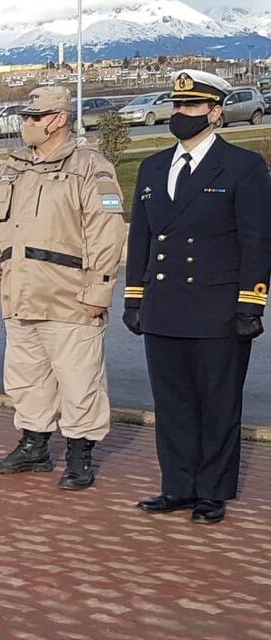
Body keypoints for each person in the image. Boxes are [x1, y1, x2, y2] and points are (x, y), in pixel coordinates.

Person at [124, 70, 271, 524]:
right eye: (176, 106)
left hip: (217, 309)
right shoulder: (152, 167)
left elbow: (257, 241)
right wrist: (134, 297)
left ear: (215, 111)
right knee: (173, 404)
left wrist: (251, 302)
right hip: (165, 307)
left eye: (190, 107)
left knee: (218, 403)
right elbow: (142, 238)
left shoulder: (243, 167)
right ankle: (178, 486)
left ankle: (212, 491)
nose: (180, 113)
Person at [0, 86, 127, 490]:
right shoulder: (14, 168)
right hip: (21, 296)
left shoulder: (90, 167)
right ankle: (34, 445)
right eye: (26, 117)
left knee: (80, 381)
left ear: (59, 119)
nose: (26, 124)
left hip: (69, 299)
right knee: (27, 378)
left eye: (34, 117)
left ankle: (80, 454)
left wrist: (98, 291)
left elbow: (107, 233)